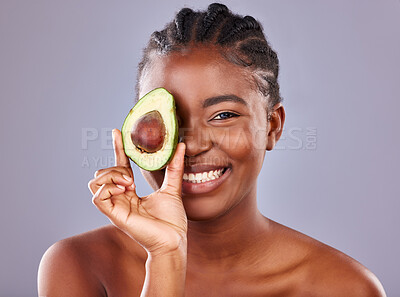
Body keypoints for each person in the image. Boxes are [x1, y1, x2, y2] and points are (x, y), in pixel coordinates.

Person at [38, 3, 387, 296]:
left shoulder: (344, 287)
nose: (192, 145)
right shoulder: (78, 264)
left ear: (272, 126)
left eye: (223, 115)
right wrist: (165, 256)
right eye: (167, 117)